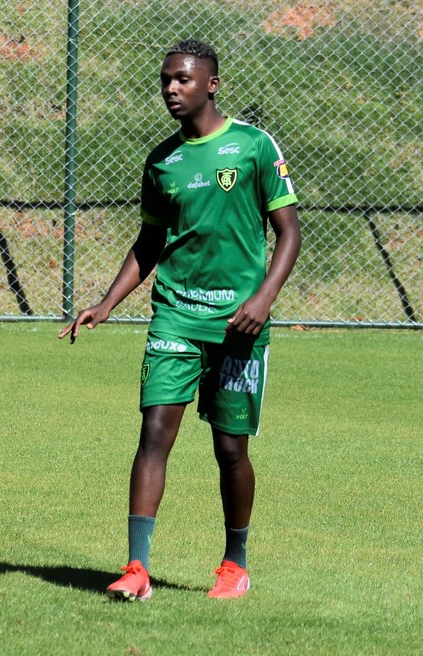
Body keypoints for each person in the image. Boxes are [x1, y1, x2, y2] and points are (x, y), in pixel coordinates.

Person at [60, 39, 301, 600]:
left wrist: (263, 299)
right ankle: (137, 569)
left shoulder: (253, 147)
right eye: (166, 79)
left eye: (183, 80)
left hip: (239, 322)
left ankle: (234, 564)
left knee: (230, 448)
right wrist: (107, 302)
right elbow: (149, 242)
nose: (171, 88)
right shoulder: (162, 161)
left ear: (211, 85)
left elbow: (289, 232)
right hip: (175, 315)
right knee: (153, 434)